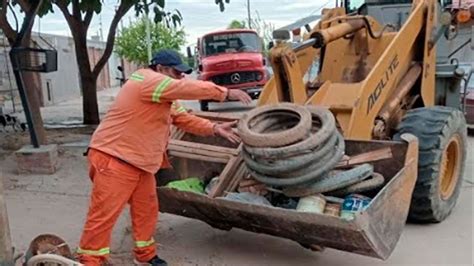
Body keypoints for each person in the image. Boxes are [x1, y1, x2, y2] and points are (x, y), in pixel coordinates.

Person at [76, 49, 252, 266]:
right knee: (103, 216)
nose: (181, 77)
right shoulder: (147, 80)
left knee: (146, 210)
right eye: (176, 73)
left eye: (182, 73)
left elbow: (182, 118)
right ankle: (89, 260)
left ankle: (145, 256)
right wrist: (224, 93)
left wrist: (214, 128)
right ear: (160, 69)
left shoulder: (162, 94)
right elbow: (184, 88)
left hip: (140, 163)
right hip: (115, 159)